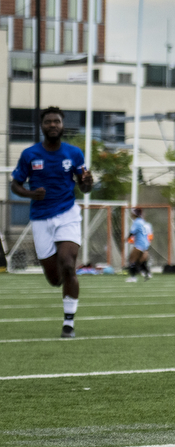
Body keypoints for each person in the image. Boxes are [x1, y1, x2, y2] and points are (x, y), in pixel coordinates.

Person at [10, 107, 94, 338]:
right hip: (40, 218)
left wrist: (88, 182)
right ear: (42, 126)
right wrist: (29, 194)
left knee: (68, 264)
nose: (53, 125)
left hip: (68, 213)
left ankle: (69, 323)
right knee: (55, 279)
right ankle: (62, 284)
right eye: (48, 122)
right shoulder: (29, 154)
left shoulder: (74, 153)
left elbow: (84, 187)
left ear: (62, 125)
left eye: (57, 121)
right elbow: (15, 184)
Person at [126, 208, 154, 282]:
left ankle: (133, 277)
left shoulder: (137, 222)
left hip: (140, 244)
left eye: (132, 213)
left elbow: (132, 232)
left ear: (135, 214)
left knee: (132, 259)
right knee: (140, 261)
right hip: (145, 244)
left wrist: (127, 238)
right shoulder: (143, 222)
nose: (131, 214)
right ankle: (147, 273)